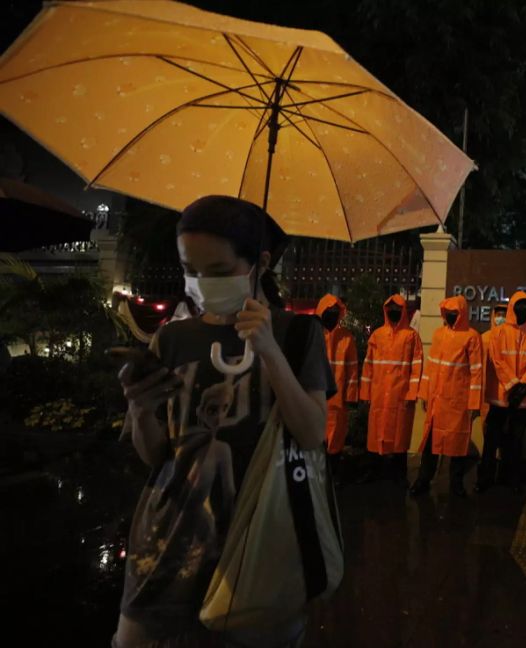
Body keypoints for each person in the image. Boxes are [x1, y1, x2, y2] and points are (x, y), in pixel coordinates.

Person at [114, 195, 336, 647]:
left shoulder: (298, 335)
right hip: (169, 537)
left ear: (260, 263)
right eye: (189, 269)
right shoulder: (171, 338)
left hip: (260, 539)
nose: (200, 283)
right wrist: (139, 409)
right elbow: (156, 456)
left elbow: (312, 432)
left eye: (218, 272)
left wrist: (270, 350)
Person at [411, 295, 483, 497]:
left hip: (458, 402)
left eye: (454, 313)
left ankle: (456, 484)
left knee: (458, 446)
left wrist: (474, 404)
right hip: (437, 400)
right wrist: (425, 394)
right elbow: (431, 367)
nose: (451, 316)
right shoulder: (438, 334)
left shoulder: (472, 337)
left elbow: (477, 372)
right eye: (448, 312)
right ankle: (423, 480)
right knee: (431, 443)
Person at [477, 291, 526, 493]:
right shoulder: (498, 333)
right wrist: (514, 384)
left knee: (515, 442)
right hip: (499, 399)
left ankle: (510, 478)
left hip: (523, 401)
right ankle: (485, 478)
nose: (523, 310)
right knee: (491, 442)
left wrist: (522, 387)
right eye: (519, 306)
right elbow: (498, 362)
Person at [360, 294, 423, 486]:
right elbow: (368, 365)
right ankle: (374, 471)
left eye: (398, 308)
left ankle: (398, 474)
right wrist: (365, 392)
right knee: (375, 434)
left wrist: (412, 393)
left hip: (400, 396)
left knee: (399, 436)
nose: (394, 312)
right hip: (379, 394)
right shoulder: (377, 335)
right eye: (391, 308)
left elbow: (417, 366)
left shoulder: (411, 336)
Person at [316, 294, 359, 485]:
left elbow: (352, 369)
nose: (332, 316)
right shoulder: (314, 335)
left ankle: (332, 474)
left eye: (335, 312)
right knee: (317, 436)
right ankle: (317, 475)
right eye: (329, 312)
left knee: (336, 438)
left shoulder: (346, 338)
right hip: (316, 397)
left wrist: (351, 396)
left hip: (338, 398)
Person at [479, 304, 508, 421]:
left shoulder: (511, 339)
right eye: (498, 315)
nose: (500, 318)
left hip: (505, 394)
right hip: (486, 394)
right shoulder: (484, 338)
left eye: (504, 315)